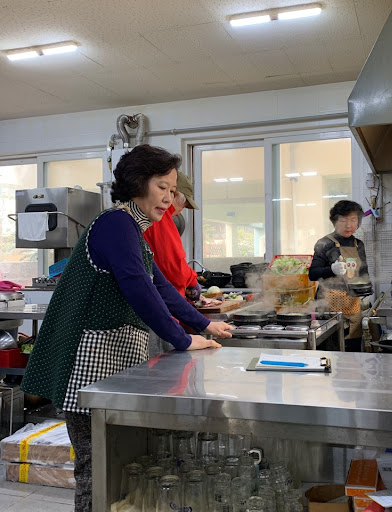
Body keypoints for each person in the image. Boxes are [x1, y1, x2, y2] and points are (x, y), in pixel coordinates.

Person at [20, 144, 233, 512]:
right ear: (137, 183)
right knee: (97, 469)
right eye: (162, 187)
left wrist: (204, 325)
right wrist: (183, 339)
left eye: (172, 190)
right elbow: (138, 287)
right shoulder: (115, 224)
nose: (169, 198)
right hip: (88, 367)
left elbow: (160, 287)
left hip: (111, 365)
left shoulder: (133, 230)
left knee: (114, 467)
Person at [308, 200, 371, 352]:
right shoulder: (324, 243)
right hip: (328, 308)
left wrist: (366, 289)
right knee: (331, 351)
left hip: (353, 306)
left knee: (352, 351)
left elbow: (364, 273)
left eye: (353, 220)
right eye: (343, 220)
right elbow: (313, 273)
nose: (348, 225)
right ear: (335, 221)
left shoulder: (358, 244)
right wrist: (331, 270)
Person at [143, 171, 201, 299]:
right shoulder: (161, 218)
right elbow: (174, 266)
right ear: (175, 195)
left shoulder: (149, 214)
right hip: (162, 298)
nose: (179, 213)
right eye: (183, 206)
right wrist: (192, 281)